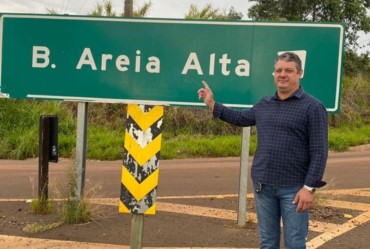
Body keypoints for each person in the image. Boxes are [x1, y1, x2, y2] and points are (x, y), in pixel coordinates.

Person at [198, 52, 328, 249]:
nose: (282, 74)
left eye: (288, 70)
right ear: (274, 74)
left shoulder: (313, 107)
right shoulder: (265, 104)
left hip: (294, 189)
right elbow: (241, 118)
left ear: (300, 73)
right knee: (267, 243)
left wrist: (309, 188)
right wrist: (212, 104)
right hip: (263, 185)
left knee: (295, 243)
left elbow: (319, 151)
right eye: (278, 70)